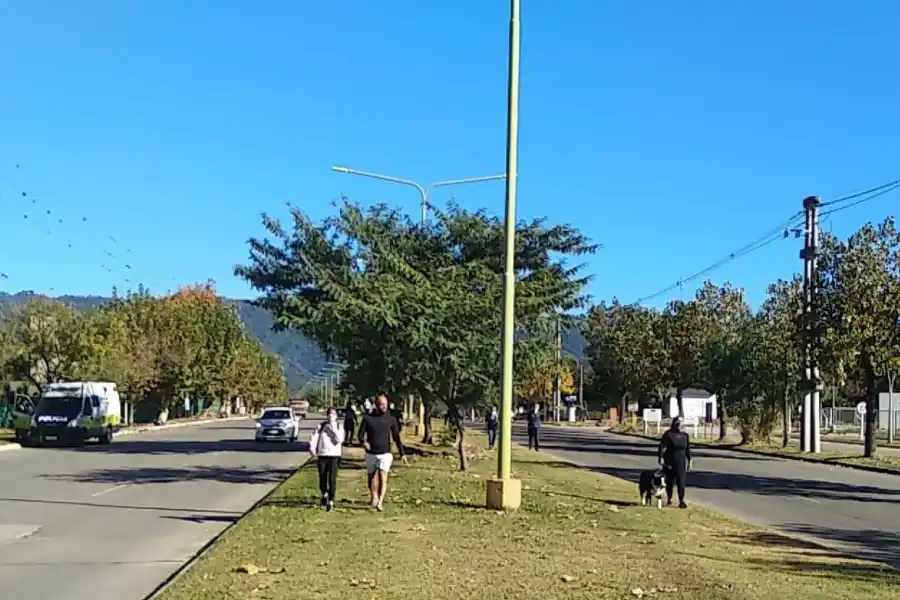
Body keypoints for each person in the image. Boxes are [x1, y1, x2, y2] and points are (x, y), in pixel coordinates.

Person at [358, 393, 407, 511]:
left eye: (385, 404)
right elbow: (360, 434)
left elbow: (396, 437)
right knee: (372, 477)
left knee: (383, 476)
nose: (383, 407)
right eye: (381, 404)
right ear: (376, 405)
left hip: (385, 453)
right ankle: (374, 496)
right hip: (371, 453)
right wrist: (363, 442)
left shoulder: (391, 419)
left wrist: (402, 454)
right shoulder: (368, 418)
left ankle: (380, 502)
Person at [309, 406, 345, 512]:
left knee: (332, 479)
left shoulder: (339, 426)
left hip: (334, 456)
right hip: (322, 455)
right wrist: (312, 448)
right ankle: (324, 493)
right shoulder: (321, 426)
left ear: (336, 416)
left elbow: (339, 439)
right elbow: (314, 437)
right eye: (329, 413)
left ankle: (331, 501)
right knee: (322, 477)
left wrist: (332, 429)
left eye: (333, 414)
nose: (331, 416)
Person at [658, 416, 693, 509]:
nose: (679, 424)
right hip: (670, 460)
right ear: (674, 423)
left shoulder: (685, 435)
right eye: (678, 422)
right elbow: (662, 446)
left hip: (681, 462)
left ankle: (681, 501)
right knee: (670, 481)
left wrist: (690, 460)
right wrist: (660, 457)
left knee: (681, 481)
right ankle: (669, 498)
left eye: (681, 422)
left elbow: (687, 449)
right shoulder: (668, 434)